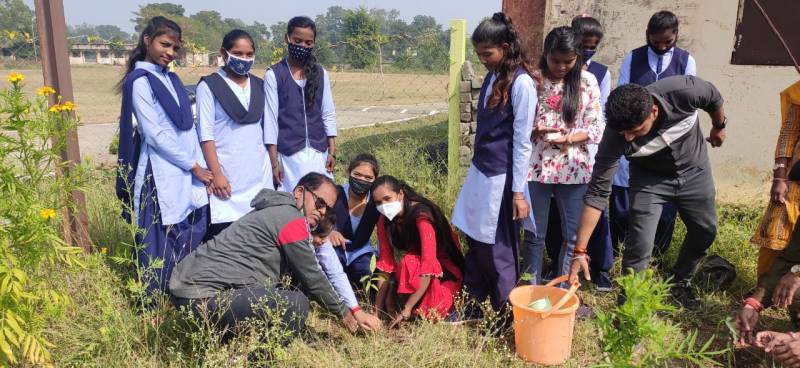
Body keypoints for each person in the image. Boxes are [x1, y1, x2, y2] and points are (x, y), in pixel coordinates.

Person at [568, 76, 728, 310]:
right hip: (649, 181)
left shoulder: (683, 92)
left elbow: (713, 96)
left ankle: (678, 282)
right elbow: (597, 193)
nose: (629, 138)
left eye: (634, 131)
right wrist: (580, 250)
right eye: (624, 133)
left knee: (705, 231)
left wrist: (719, 126)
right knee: (639, 247)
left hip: (695, 171)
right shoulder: (615, 137)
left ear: (653, 111)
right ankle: (629, 312)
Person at [169, 173, 379, 337]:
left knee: (282, 295)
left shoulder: (278, 212)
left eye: (328, 210)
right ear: (299, 192)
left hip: (190, 293)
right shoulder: (290, 218)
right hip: (200, 297)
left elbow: (326, 272)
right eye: (320, 203)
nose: (323, 212)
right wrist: (345, 314)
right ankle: (255, 357)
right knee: (296, 303)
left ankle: (230, 341)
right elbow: (313, 277)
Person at [115, 16, 210, 295]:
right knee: (157, 237)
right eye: (164, 45)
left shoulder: (171, 78)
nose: (169, 53)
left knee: (187, 226)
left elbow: (186, 126)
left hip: (183, 166)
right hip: (158, 169)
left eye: (174, 48)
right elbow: (153, 134)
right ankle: (154, 302)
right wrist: (192, 165)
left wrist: (197, 165)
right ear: (148, 41)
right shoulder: (140, 80)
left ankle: (181, 293)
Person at [451, 12, 536, 318]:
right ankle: (472, 304)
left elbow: (523, 141)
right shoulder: (492, 77)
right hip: (481, 174)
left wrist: (517, 193)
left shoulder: (522, 84)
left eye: (487, 54)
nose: (483, 60)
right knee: (475, 239)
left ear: (505, 46)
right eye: (479, 55)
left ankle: (505, 314)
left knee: (497, 248)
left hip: (502, 180)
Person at [521, 26, 604, 286]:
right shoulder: (533, 80)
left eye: (568, 61)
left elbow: (596, 126)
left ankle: (565, 289)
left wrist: (569, 138)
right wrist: (536, 129)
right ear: (544, 55)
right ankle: (531, 287)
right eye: (554, 60)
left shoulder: (587, 81)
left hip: (574, 167)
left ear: (577, 56)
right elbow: (519, 122)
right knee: (535, 233)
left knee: (572, 235)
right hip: (537, 167)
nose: (560, 66)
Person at [611, 10, 697, 259]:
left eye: (667, 42)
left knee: (664, 206)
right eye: (655, 41)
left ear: (676, 36)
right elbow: (624, 92)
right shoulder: (633, 58)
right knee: (623, 203)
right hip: (635, 136)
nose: (661, 47)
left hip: (669, 143)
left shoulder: (686, 61)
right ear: (647, 35)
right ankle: (620, 256)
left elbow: (688, 102)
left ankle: (655, 259)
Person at [197, 29, 272, 239]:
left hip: (258, 174)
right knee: (228, 238)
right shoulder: (209, 86)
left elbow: (266, 130)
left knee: (259, 234)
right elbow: (206, 134)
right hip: (228, 176)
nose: (244, 59)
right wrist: (217, 173)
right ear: (224, 52)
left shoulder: (259, 85)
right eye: (238, 53)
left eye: (249, 54)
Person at [372, 176, 465, 327]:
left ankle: (421, 305)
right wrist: (376, 311)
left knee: (432, 310)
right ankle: (412, 303)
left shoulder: (422, 217)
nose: (383, 205)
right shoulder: (384, 220)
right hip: (418, 267)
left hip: (444, 269)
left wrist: (406, 309)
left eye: (387, 199)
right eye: (378, 203)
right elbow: (386, 264)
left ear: (400, 194)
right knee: (407, 264)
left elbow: (428, 266)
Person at [265, 16, 337, 192]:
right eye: (297, 41)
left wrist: (332, 151)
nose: (303, 46)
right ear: (287, 39)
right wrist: (274, 163)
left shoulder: (320, 73)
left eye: (308, 42)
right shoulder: (274, 74)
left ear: (313, 44)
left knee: (319, 203)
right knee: (293, 203)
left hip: (318, 153)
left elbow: (327, 113)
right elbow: (271, 121)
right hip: (289, 156)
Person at [751, 80, 800, 277]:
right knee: (775, 232)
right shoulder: (799, 92)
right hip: (796, 177)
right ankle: (763, 291)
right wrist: (779, 177)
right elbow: (788, 135)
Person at [311, 209, 382, 331]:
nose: (324, 241)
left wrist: (356, 310)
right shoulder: (300, 238)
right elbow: (315, 278)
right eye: (322, 237)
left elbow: (336, 274)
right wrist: (344, 313)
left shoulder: (322, 240)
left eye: (326, 237)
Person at [327, 154, 381, 287]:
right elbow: (318, 217)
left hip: (361, 250)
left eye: (368, 177)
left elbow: (383, 230)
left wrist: (379, 256)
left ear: (375, 179)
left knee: (368, 278)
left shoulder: (377, 201)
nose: (362, 180)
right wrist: (329, 232)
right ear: (349, 172)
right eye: (357, 174)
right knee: (330, 273)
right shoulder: (335, 193)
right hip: (335, 248)